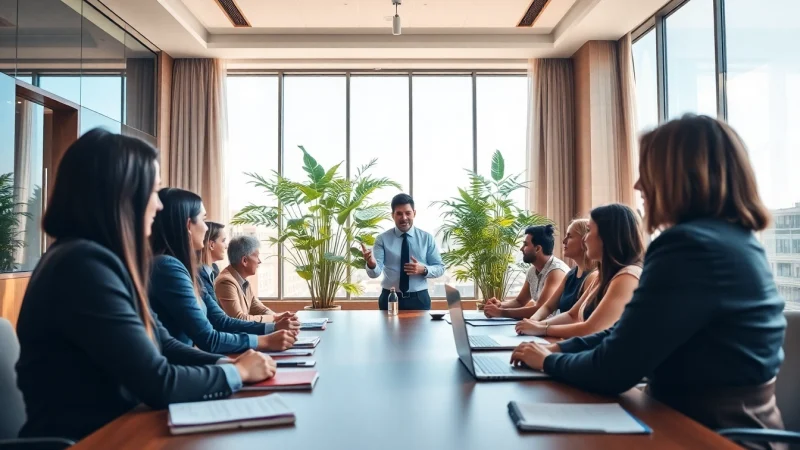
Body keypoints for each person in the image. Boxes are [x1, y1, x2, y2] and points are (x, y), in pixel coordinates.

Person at [511, 115, 786, 449]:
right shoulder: (734, 241)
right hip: (713, 425)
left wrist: (548, 360)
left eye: (648, 171)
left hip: (706, 434)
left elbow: (615, 369)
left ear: (680, 178)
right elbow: (627, 333)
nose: (639, 185)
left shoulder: (689, 247)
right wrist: (555, 348)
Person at [14, 129, 275, 442]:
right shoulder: (82, 266)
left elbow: (163, 343)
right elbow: (157, 381)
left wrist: (226, 362)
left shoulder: (105, 261)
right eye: (153, 191)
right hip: (95, 439)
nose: (160, 205)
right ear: (123, 196)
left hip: (122, 429)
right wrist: (238, 372)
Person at [149, 188, 297, 354]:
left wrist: (273, 327)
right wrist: (265, 340)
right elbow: (208, 339)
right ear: (188, 225)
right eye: (203, 220)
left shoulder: (187, 270)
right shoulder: (168, 268)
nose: (206, 228)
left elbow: (221, 321)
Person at [514, 204, 644, 339]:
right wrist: (537, 327)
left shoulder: (627, 277)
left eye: (588, 231)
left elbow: (590, 329)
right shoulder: (602, 275)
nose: (585, 239)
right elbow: (573, 315)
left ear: (607, 235)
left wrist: (543, 330)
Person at [493, 219, 597, 320]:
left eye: (569, 236)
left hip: (560, 330)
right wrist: (500, 306)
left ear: (585, 240)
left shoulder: (559, 271)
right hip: (554, 328)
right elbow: (542, 307)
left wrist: (502, 312)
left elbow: (573, 317)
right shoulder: (570, 274)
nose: (564, 241)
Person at [361, 193, 445, 310]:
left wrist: (423, 269)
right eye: (399, 213)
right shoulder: (382, 239)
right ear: (392, 215)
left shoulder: (427, 238)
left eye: (408, 213)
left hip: (419, 299)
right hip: (389, 298)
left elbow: (440, 268)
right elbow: (374, 273)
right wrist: (371, 263)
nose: (404, 217)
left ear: (414, 213)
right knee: (387, 329)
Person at [483, 225, 569, 318]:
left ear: (537, 249)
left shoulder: (556, 272)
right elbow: (519, 301)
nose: (521, 248)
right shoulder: (532, 270)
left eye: (525, 244)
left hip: (555, 328)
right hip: (539, 326)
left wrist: (500, 312)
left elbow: (540, 310)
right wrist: (500, 305)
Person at [215, 235, 297, 324]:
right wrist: (275, 318)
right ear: (244, 261)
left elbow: (260, 309)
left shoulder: (243, 281)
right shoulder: (226, 282)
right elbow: (239, 319)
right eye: (257, 256)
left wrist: (281, 318)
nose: (259, 261)